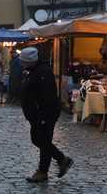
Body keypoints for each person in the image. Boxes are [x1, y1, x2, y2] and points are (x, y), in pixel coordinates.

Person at [20, 47, 74, 183]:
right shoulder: (34, 71)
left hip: (44, 113)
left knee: (43, 141)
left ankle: (43, 171)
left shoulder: (43, 72)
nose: (22, 64)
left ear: (30, 61)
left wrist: (42, 116)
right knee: (39, 140)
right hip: (36, 114)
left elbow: (47, 96)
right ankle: (62, 160)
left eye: (24, 61)